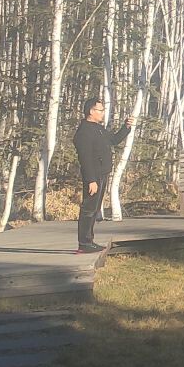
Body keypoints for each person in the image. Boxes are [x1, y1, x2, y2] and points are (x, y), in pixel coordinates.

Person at [74, 96, 131, 253]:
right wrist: (91, 180)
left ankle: (89, 241)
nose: (103, 113)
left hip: (102, 173)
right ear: (91, 111)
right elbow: (85, 158)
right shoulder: (84, 131)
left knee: (94, 209)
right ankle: (84, 243)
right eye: (101, 110)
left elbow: (113, 140)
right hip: (94, 176)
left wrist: (126, 127)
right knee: (88, 209)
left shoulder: (98, 128)